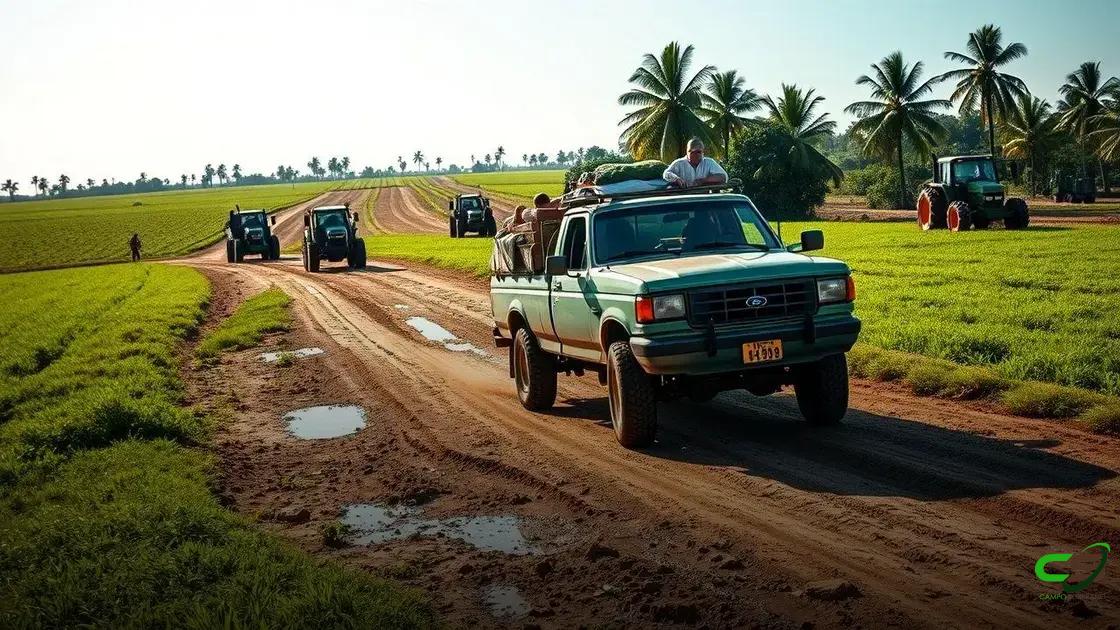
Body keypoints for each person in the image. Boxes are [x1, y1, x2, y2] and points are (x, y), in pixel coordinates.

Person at [663, 138, 727, 188]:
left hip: (703, 199)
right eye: (691, 152)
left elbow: (723, 177)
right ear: (687, 152)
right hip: (684, 199)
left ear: (703, 152)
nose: (695, 155)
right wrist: (677, 179)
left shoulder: (709, 162)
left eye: (698, 152)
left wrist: (703, 180)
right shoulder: (679, 163)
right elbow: (666, 174)